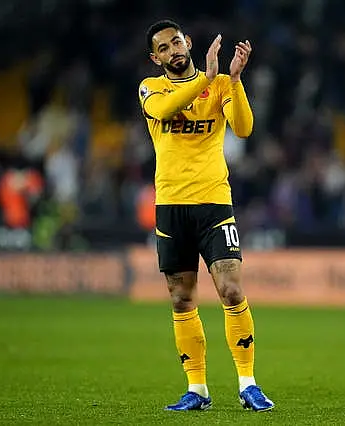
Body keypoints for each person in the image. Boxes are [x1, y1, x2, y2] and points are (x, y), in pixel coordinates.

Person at [138, 19, 274, 412]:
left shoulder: (218, 85)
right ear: (155, 57)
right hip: (171, 205)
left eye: (176, 42)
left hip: (214, 202)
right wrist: (208, 78)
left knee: (231, 290)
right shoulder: (151, 88)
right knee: (181, 299)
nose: (172, 51)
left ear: (189, 42)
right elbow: (165, 109)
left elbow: (244, 129)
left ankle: (248, 384)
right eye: (163, 48)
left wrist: (232, 79)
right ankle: (197, 389)